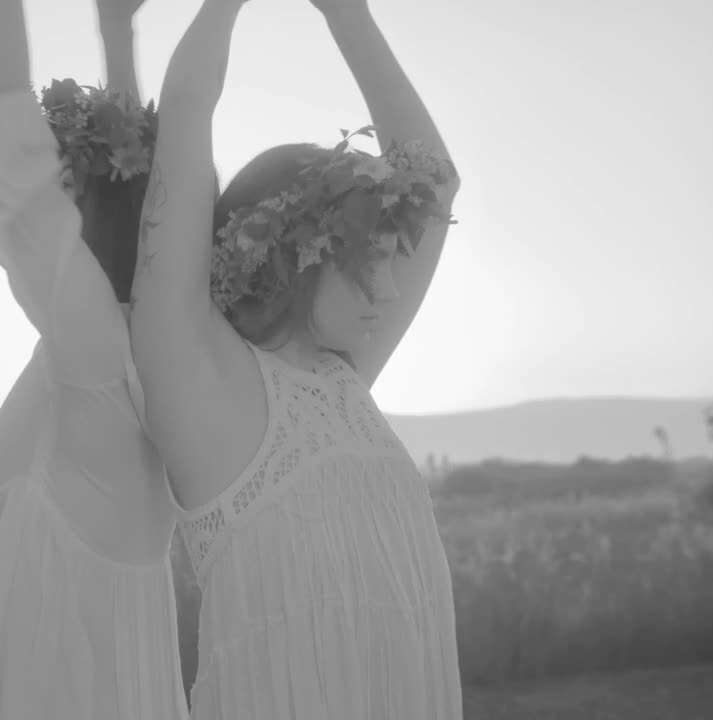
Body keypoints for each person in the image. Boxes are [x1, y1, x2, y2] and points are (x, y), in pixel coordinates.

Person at [127, 0, 464, 718]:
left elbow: (435, 182)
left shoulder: (346, 377)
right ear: (293, 255)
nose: (390, 288)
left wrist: (346, 13)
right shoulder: (202, 381)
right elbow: (186, 111)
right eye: (367, 260)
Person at [0, 0, 188, 718]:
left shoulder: (97, 351)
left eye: (62, 178)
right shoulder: (117, 346)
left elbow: (6, 143)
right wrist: (117, 31)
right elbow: (138, 189)